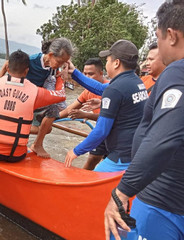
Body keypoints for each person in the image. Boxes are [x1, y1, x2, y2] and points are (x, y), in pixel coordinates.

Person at [104, 1, 184, 240]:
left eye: (157, 38)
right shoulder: (138, 82)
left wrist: (121, 193)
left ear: (170, 35)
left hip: (162, 203)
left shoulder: (177, 72)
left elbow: (163, 140)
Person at [0, 50, 67, 162]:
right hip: (17, 155)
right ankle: (37, 143)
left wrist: (3, 69)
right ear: (27, 71)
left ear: (8, 68)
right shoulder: (35, 92)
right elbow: (61, 95)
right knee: (48, 123)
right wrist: (60, 75)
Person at [64, 39, 148, 172]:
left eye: (107, 60)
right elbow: (100, 88)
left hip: (121, 157)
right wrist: (74, 73)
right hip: (137, 151)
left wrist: (76, 151)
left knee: (90, 187)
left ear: (116, 63)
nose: (106, 64)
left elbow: (101, 130)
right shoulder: (135, 81)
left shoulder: (115, 88)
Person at [0, 38, 74, 158]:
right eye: (59, 62)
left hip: (36, 99)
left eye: (63, 63)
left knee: (48, 128)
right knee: (49, 115)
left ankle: (34, 143)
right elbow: (7, 64)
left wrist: (65, 68)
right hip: (21, 98)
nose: (60, 65)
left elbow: (67, 62)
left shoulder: (53, 66)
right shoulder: (31, 60)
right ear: (50, 55)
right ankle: (15, 134)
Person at [58, 58, 109, 170]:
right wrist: (52, 118)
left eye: (90, 74)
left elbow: (108, 119)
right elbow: (69, 110)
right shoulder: (87, 91)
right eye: (84, 74)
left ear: (101, 73)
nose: (87, 78)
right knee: (91, 160)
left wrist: (86, 115)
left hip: (112, 133)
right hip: (101, 133)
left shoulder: (110, 89)